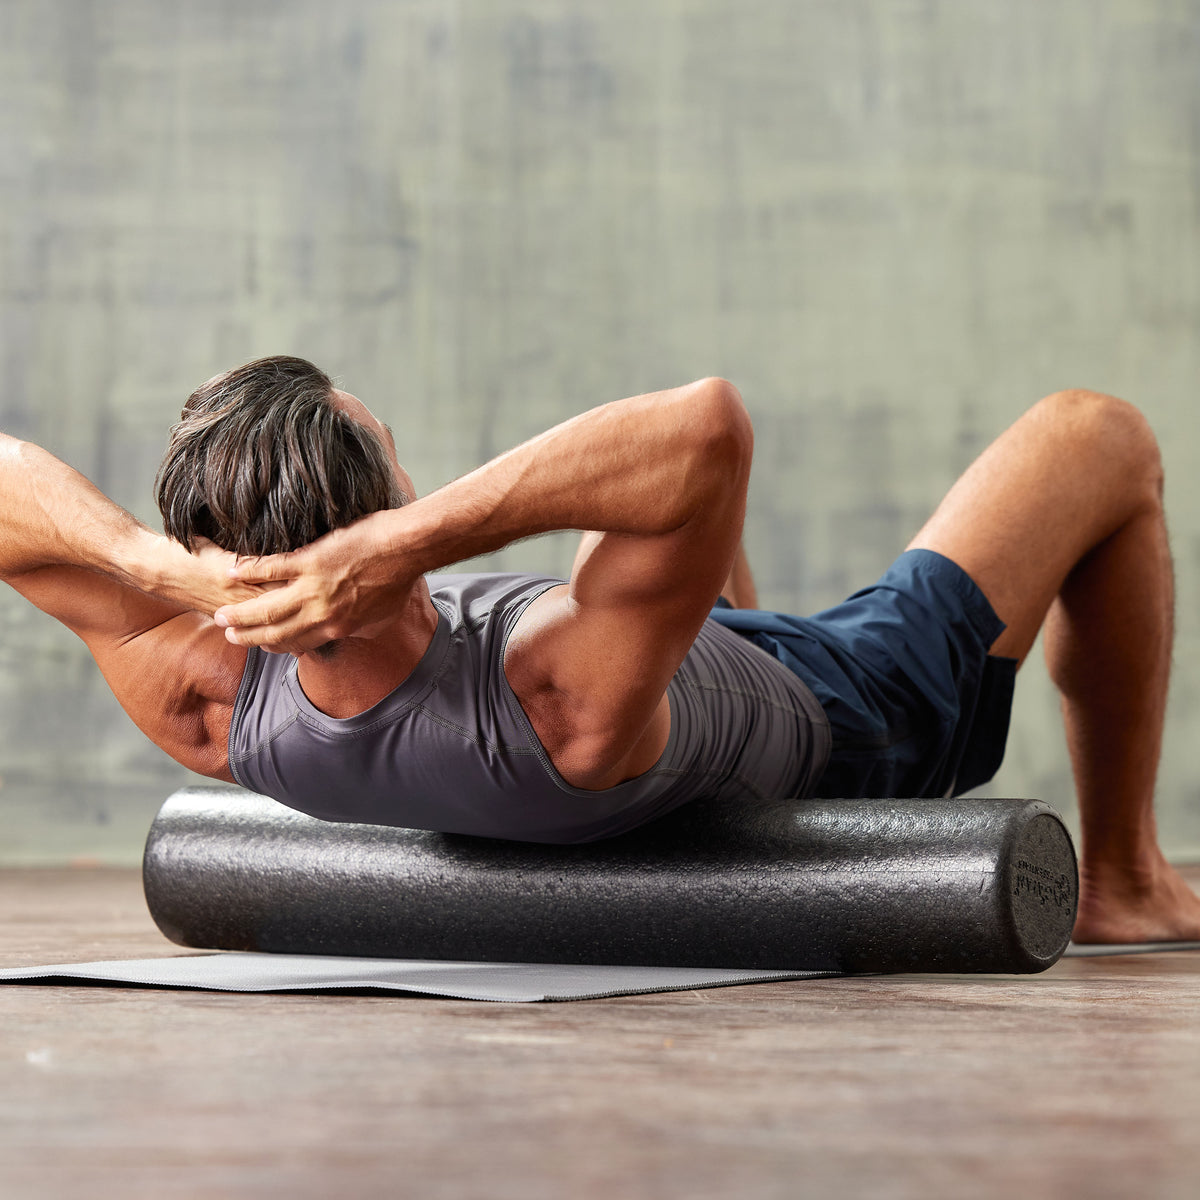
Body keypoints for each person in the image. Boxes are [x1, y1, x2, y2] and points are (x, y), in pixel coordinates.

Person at [2, 355, 1197, 946]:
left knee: (630, 513)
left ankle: (694, 617)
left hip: (670, 674)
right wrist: (410, 541)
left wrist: (152, 564)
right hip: (851, 705)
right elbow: (708, 426)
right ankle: (1126, 882)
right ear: (379, 531)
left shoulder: (216, 702)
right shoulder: (546, 695)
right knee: (1098, 435)